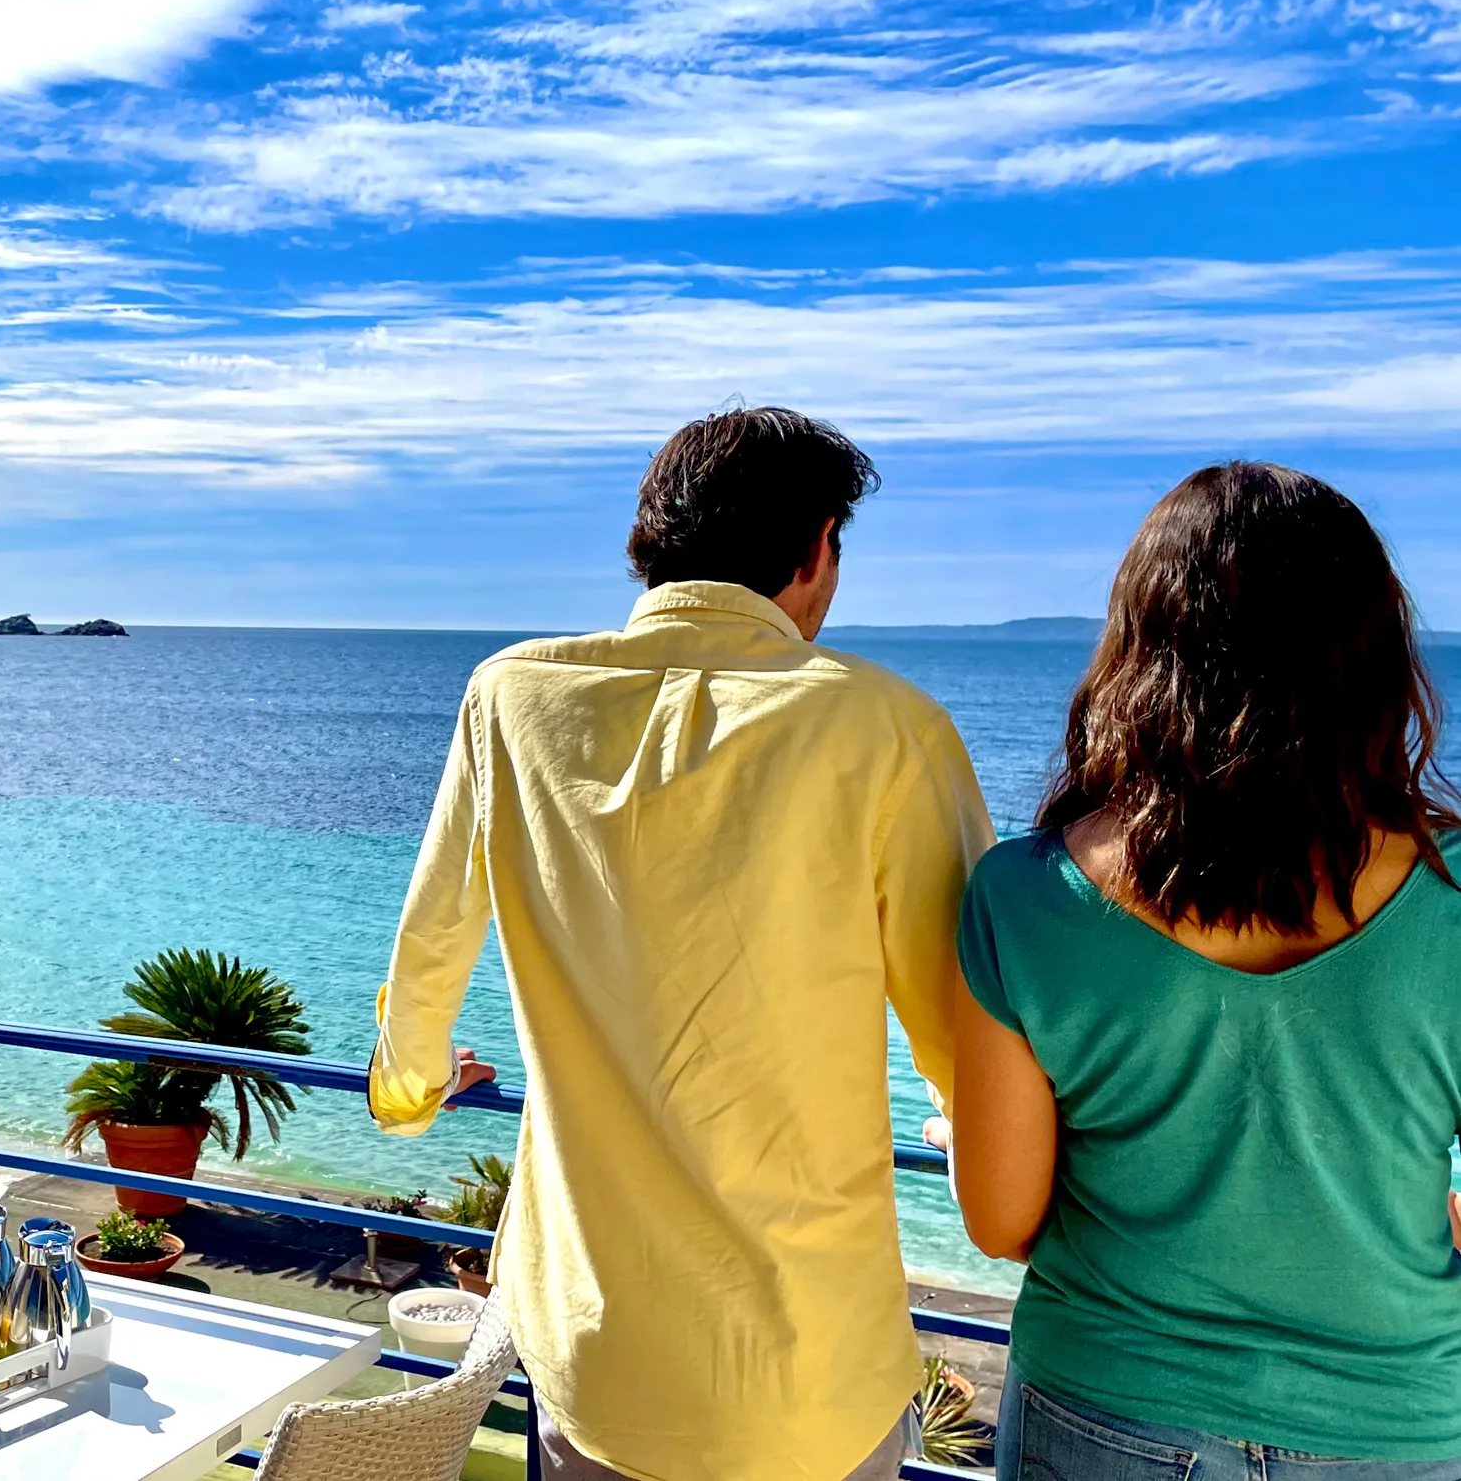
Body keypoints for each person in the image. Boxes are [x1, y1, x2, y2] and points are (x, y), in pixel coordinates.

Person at [369, 406, 994, 1481]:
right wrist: (976, 1135)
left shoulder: (510, 697)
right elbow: (970, 1013)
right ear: (814, 549)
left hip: (596, 1351)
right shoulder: (883, 725)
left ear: (648, 542)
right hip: (806, 1374)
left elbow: (430, 943)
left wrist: (411, 1088)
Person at [951, 461, 1461, 1480]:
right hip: (1395, 1425)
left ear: (1142, 650)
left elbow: (1002, 1221)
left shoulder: (1026, 894)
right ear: (1370, 656)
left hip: (1106, 1413)